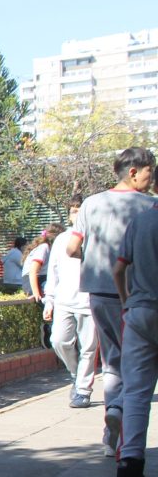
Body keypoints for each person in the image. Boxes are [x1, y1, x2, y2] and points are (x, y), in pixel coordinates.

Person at [67, 147, 157, 457]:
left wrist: (94, 257)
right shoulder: (150, 207)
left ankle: (112, 435)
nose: (152, 177)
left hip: (97, 294)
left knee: (112, 363)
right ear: (134, 172)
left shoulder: (90, 204)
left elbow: (71, 248)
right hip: (135, 297)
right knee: (137, 368)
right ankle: (118, 420)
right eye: (150, 171)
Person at [112, 204, 158, 477]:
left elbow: (118, 268)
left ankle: (130, 462)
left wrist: (126, 302)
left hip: (140, 311)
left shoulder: (140, 222)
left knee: (136, 392)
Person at [45, 199, 99, 410]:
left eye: (80, 211)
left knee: (89, 348)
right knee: (58, 340)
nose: (77, 215)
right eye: (73, 211)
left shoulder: (97, 237)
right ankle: (76, 375)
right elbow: (53, 272)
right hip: (64, 301)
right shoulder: (61, 240)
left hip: (89, 301)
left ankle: (83, 390)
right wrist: (49, 301)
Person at [22, 223, 63, 301]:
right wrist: (36, 292)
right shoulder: (44, 248)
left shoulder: (49, 249)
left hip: (41, 278)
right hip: (32, 281)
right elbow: (33, 271)